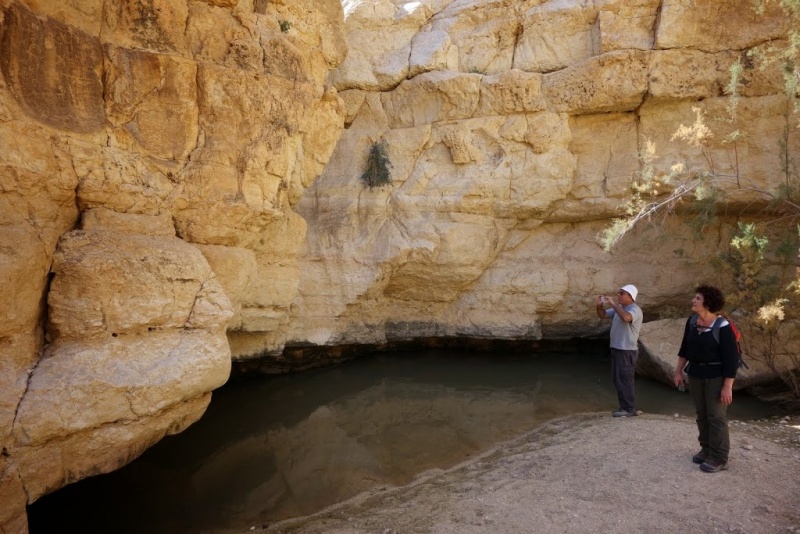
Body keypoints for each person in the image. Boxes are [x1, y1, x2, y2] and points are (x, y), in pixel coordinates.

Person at [673, 285, 738, 473]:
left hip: (716, 377)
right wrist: (678, 372)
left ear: (708, 303)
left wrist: (728, 386)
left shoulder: (723, 327)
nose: (693, 301)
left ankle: (719, 458)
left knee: (716, 416)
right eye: (694, 298)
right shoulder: (692, 321)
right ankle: (706, 450)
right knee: (701, 415)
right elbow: (684, 349)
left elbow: (731, 359)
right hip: (695, 374)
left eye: (698, 298)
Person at [596, 284, 643, 417]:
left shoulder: (635, 310)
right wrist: (599, 305)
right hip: (617, 348)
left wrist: (613, 304)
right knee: (618, 379)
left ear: (630, 296)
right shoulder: (620, 309)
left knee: (625, 379)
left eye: (622, 293)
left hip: (627, 350)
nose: (618, 296)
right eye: (618, 293)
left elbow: (627, 318)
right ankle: (624, 407)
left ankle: (628, 408)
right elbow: (603, 315)